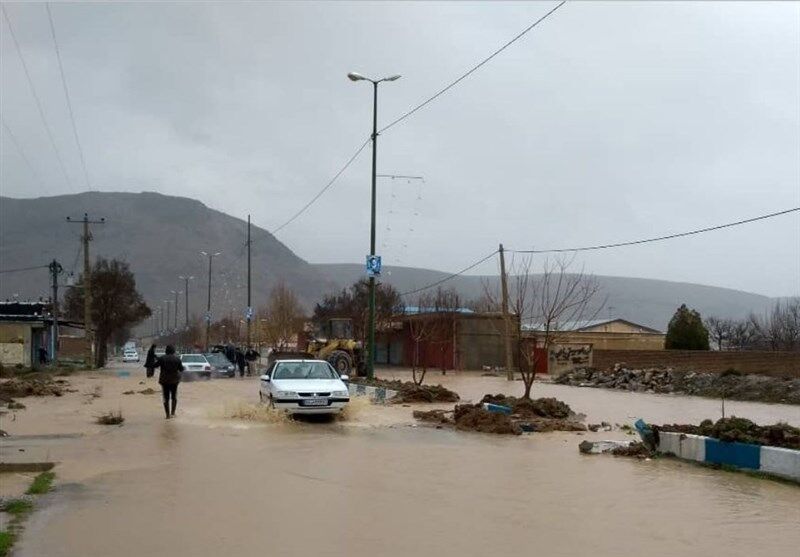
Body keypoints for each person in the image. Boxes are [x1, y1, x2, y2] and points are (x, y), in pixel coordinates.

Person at [155, 345, 183, 419]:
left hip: (164, 381)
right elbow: (181, 369)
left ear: (166, 351)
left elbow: (155, 365)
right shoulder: (177, 359)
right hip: (174, 381)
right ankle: (173, 413)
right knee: (174, 397)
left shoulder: (162, 358)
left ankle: (167, 415)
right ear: (173, 351)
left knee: (166, 398)